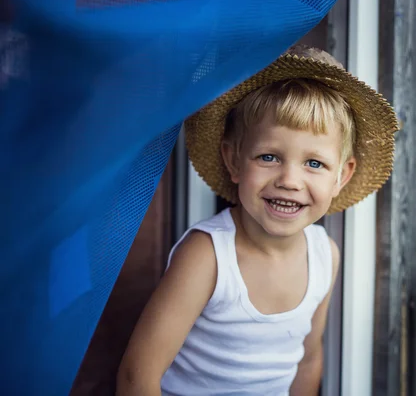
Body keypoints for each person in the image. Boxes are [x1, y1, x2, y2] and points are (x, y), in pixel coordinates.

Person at [116, 44, 400, 396]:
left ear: (341, 176)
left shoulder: (325, 255)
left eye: (315, 163)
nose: (290, 180)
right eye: (269, 156)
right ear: (234, 161)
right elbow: (136, 376)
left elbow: (308, 360)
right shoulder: (207, 255)